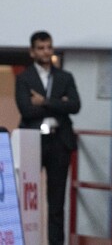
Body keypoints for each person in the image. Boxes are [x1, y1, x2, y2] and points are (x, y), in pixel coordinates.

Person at [15, 31, 81, 245]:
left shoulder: (65, 77)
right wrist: (57, 103)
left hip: (59, 143)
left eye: (49, 47)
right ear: (32, 51)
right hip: (32, 143)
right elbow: (26, 110)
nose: (46, 52)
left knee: (56, 203)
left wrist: (43, 101)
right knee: (27, 199)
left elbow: (75, 105)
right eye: (41, 48)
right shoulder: (24, 78)